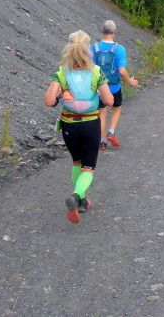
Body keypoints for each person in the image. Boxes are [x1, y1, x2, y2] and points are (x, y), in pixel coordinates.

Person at [45, 30, 114, 224]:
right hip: (90, 124)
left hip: (69, 126)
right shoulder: (96, 71)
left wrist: (62, 95)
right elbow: (109, 101)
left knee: (77, 162)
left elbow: (49, 101)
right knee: (88, 167)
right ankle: (76, 195)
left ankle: (81, 202)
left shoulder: (61, 72)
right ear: (87, 48)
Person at [92, 20, 139, 150]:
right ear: (114, 32)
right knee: (116, 108)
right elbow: (122, 71)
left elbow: (89, 69)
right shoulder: (119, 49)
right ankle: (111, 132)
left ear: (102, 31)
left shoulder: (93, 48)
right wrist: (130, 81)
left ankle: (102, 142)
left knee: (102, 113)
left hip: (99, 88)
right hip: (114, 87)